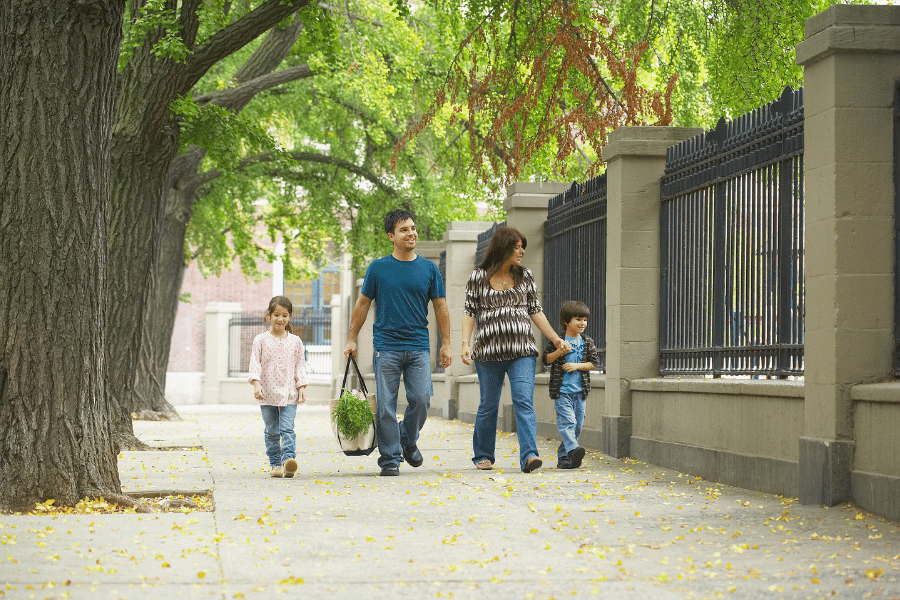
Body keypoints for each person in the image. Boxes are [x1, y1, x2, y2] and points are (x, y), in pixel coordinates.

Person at [344, 209, 452, 477]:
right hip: (386, 347)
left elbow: (441, 307)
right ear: (391, 236)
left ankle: (407, 438)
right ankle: (390, 458)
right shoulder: (378, 268)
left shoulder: (428, 268)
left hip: (418, 346)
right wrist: (351, 339)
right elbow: (362, 305)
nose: (411, 233)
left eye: (413, 228)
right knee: (386, 406)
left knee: (421, 399)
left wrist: (446, 343)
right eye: (404, 230)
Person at [461, 226, 569, 473]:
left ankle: (530, 455)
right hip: (488, 354)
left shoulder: (525, 275)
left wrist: (555, 339)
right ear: (503, 247)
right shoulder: (478, 277)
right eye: (517, 246)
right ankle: (483, 455)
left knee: (523, 401)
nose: (521, 251)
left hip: (522, 352)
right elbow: (469, 312)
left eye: (523, 246)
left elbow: (535, 310)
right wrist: (466, 344)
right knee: (488, 404)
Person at [248, 295, 308, 479]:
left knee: (287, 429)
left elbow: (300, 365)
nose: (280, 319)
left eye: (284, 315)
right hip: (267, 393)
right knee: (272, 431)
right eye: (276, 315)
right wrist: (256, 385)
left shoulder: (296, 341)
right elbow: (255, 364)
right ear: (269, 315)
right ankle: (276, 465)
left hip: (289, 392)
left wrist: (302, 387)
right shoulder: (260, 340)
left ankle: (289, 461)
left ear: (290, 317)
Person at [541, 300, 601, 469]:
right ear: (567, 321)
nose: (583, 323)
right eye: (578, 319)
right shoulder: (558, 340)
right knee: (568, 423)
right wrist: (560, 350)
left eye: (585, 320)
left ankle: (564, 458)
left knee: (577, 426)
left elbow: (594, 363)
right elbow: (546, 360)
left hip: (580, 391)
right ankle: (574, 449)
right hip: (561, 392)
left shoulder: (587, 342)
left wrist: (577, 366)